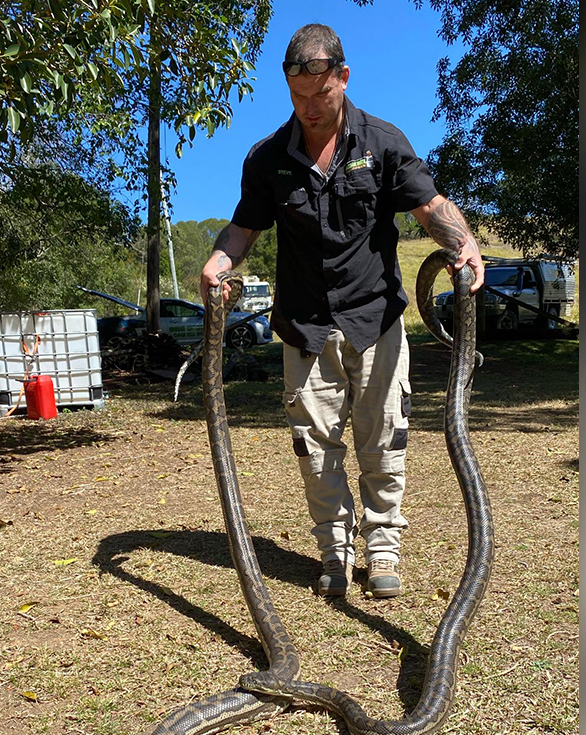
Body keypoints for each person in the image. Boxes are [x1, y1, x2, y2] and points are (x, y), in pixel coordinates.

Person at [199, 22, 484, 599]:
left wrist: (463, 243)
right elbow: (243, 227)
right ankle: (334, 553)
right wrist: (218, 262)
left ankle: (382, 551)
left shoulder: (382, 143)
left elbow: (429, 206)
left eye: (320, 95)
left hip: (376, 320)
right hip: (304, 327)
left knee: (384, 441)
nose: (309, 107)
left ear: (343, 77)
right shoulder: (269, 160)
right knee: (315, 448)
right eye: (298, 97)